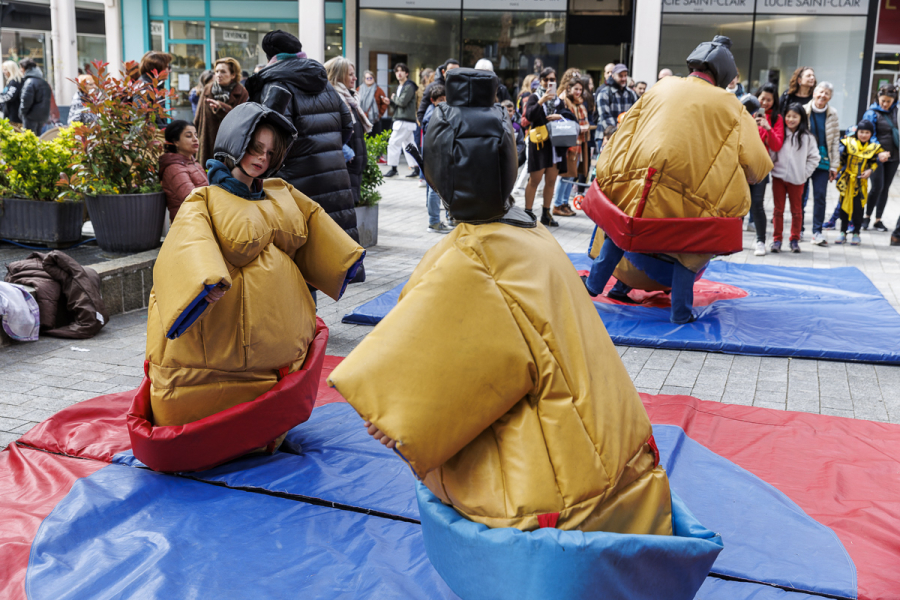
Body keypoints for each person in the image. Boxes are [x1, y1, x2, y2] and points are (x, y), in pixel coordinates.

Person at [329, 67, 674, 540]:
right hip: (624, 462)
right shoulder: (530, 233)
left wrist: (398, 418)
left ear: (435, 172)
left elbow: (403, 400)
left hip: (558, 500)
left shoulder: (471, 259)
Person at [145, 102, 364, 454]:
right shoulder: (205, 199)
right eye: (254, 148)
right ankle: (224, 434)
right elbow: (188, 241)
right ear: (234, 143)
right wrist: (204, 285)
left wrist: (343, 260)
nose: (261, 158)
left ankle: (269, 427)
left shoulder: (279, 192)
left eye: (269, 151)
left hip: (275, 338)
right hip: (219, 327)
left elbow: (312, 222)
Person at [583, 36, 771, 324]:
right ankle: (680, 312)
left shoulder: (662, 87)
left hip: (641, 189)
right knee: (692, 248)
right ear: (723, 74)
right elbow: (758, 166)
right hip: (689, 207)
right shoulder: (730, 106)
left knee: (622, 227)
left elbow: (625, 131)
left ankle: (596, 285)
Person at [246, 30, 361, 266]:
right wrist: (328, 150)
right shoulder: (322, 81)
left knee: (297, 257)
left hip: (293, 181)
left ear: (270, 55)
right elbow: (347, 125)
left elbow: (272, 138)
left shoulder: (275, 83)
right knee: (321, 257)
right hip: (332, 175)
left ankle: (307, 304)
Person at [769, 104, 819, 254]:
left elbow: (814, 158)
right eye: (788, 116)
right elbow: (772, 149)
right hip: (778, 177)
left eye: (794, 116)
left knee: (797, 211)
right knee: (778, 210)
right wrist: (772, 166)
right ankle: (777, 240)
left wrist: (804, 174)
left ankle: (794, 240)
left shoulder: (808, 138)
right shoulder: (780, 133)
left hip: (797, 180)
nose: (790, 119)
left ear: (801, 118)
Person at [325, 56, 372, 207]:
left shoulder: (350, 97)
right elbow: (328, 131)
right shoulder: (334, 98)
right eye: (350, 74)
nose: (355, 78)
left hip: (352, 167)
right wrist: (346, 152)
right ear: (339, 75)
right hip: (344, 166)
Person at [834, 121, 885, 245]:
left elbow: (874, 162)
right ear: (857, 133)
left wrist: (870, 170)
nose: (863, 135)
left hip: (861, 183)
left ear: (871, 134)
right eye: (861, 132)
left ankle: (856, 232)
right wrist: (835, 171)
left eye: (867, 132)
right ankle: (843, 232)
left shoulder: (873, 148)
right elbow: (841, 159)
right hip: (847, 181)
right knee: (844, 207)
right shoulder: (848, 143)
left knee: (858, 208)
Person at [524, 67, 563, 227]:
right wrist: (542, 101)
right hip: (539, 143)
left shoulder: (559, 100)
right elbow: (529, 116)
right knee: (535, 179)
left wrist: (560, 116)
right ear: (541, 81)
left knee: (552, 180)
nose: (549, 83)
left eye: (552, 79)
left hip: (555, 144)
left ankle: (546, 213)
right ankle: (527, 212)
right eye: (546, 80)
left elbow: (568, 116)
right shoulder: (535, 97)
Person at [802, 82, 841, 246]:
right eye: (820, 92)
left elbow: (835, 141)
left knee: (820, 196)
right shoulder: (803, 111)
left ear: (830, 97)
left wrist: (834, 166)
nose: (822, 96)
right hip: (803, 159)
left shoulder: (833, 114)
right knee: (800, 196)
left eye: (827, 93)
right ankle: (799, 229)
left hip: (823, 162)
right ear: (814, 93)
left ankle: (817, 232)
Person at [748, 83, 784, 256]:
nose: (765, 102)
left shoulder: (777, 119)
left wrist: (767, 128)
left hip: (761, 167)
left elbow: (777, 145)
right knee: (736, 203)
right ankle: (727, 241)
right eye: (762, 98)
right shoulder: (747, 113)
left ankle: (760, 240)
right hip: (743, 164)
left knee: (757, 204)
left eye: (769, 99)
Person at [195, 58, 249, 166]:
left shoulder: (241, 92)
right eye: (217, 71)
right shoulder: (208, 89)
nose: (219, 75)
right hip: (207, 141)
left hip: (229, 145)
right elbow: (198, 117)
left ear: (233, 75)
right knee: (207, 175)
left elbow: (242, 119)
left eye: (223, 72)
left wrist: (222, 107)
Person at [861, 85, 898, 232]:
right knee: (877, 187)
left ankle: (878, 220)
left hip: (895, 156)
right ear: (878, 98)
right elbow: (869, 134)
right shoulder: (871, 112)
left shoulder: (897, 111)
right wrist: (879, 151)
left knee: (886, 188)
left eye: (889, 101)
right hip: (876, 156)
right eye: (883, 100)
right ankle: (866, 217)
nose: (885, 104)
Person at [552, 77, 590, 218]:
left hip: (579, 143)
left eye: (580, 89)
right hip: (569, 144)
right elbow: (563, 121)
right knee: (565, 176)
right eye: (576, 89)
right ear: (569, 89)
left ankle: (564, 203)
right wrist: (581, 128)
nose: (578, 92)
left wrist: (583, 128)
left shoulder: (580, 103)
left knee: (572, 175)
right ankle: (558, 204)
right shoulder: (564, 102)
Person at [159, 119, 207, 222]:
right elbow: (192, 198)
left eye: (196, 135)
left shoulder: (195, 164)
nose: (195, 139)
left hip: (202, 220)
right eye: (189, 136)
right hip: (188, 225)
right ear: (176, 141)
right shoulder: (174, 168)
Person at [421, 84, 453, 233]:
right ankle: (434, 222)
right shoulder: (433, 114)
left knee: (440, 187)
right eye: (441, 99)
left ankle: (447, 217)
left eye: (446, 98)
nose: (444, 101)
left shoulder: (438, 111)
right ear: (433, 100)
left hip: (436, 153)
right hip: (435, 155)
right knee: (436, 188)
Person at [381, 63, 419, 178]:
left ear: (406, 73)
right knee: (409, 145)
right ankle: (417, 168)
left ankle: (393, 168)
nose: (399, 73)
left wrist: (393, 98)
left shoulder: (409, 86)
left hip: (404, 121)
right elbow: (400, 104)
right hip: (405, 120)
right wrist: (391, 102)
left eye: (401, 71)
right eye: (397, 71)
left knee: (393, 143)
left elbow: (402, 102)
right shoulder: (401, 87)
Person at [597, 63, 638, 131]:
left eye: (625, 75)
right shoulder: (604, 93)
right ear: (613, 76)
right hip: (606, 136)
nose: (624, 78)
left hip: (625, 134)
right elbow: (605, 116)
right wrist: (615, 131)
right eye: (620, 76)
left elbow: (635, 113)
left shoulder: (631, 93)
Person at [417, 59, 459, 126]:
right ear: (443, 72)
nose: (454, 73)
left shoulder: (460, 87)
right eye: (450, 70)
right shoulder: (432, 87)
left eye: (457, 70)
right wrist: (427, 130)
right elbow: (421, 111)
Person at [17, 59, 51, 135]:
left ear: (25, 68)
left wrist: (22, 113)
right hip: (42, 117)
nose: (20, 70)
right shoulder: (43, 82)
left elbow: (26, 101)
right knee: (39, 139)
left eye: (21, 67)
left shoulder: (29, 82)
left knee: (29, 140)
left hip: (30, 117)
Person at [358, 70, 387, 136]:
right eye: (367, 78)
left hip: (375, 120)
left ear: (374, 78)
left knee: (375, 138)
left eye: (371, 78)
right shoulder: (359, 89)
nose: (369, 79)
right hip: (362, 120)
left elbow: (384, 103)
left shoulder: (378, 90)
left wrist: (379, 114)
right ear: (364, 79)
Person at [0, 61, 24, 126]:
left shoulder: (15, 82)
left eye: (5, 70)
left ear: (11, 70)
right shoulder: (12, 82)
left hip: (15, 119)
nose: (3, 72)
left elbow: (9, 96)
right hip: (12, 117)